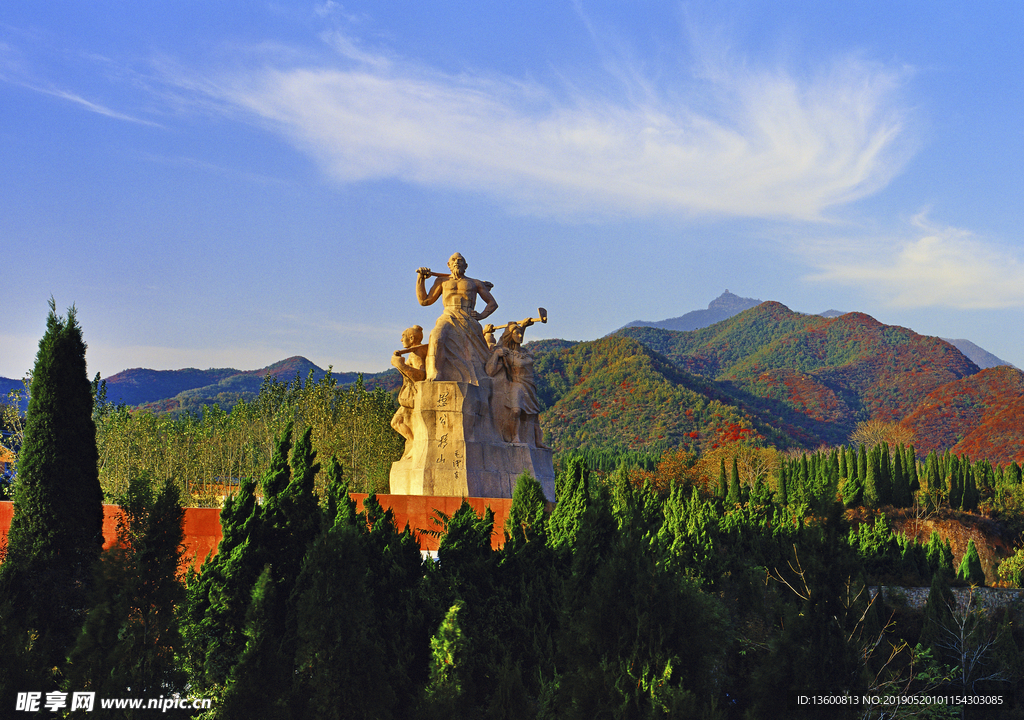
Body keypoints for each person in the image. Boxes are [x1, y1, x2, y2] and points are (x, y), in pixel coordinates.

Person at [416, 253, 497, 383]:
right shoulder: (441, 281)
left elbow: (492, 303)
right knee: (437, 335)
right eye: (453, 260)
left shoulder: (474, 283)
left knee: (472, 353)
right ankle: (434, 372)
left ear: (466, 266)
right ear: (448, 265)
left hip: (468, 317)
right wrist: (421, 279)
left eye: (460, 260)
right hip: (448, 315)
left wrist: (481, 315)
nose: (457, 262)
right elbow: (424, 301)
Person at [485, 318, 546, 447]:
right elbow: (490, 371)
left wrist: (523, 326)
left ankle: (537, 441)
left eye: (521, 333)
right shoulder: (508, 353)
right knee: (516, 411)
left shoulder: (527, 353)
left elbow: (518, 333)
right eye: (516, 333)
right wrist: (495, 353)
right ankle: (514, 437)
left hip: (529, 385)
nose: (520, 336)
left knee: (534, 415)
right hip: (515, 383)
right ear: (510, 335)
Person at [390, 325, 427, 455]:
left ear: (411, 338)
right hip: (411, 396)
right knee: (396, 422)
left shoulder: (415, 354)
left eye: (403, 337)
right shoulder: (414, 353)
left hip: (414, 397)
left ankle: (414, 445)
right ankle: (413, 443)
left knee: (396, 422)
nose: (401, 340)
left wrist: (400, 364)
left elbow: (421, 375)